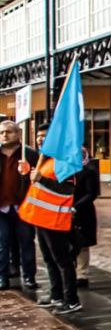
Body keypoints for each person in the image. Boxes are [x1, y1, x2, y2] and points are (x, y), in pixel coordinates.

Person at [19, 123, 81, 314]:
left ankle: (71, 300)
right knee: (49, 259)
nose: (40, 139)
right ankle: (57, 296)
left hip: (55, 219)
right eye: (39, 135)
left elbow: (67, 190)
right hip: (41, 218)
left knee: (62, 260)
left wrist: (41, 179)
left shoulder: (63, 162)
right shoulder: (44, 161)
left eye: (45, 136)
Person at [0, 120, 39, 292]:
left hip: (24, 207)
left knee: (26, 242)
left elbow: (39, 178)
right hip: (1, 207)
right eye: (1, 132)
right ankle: (2, 276)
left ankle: (29, 276)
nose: (4, 135)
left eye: (8, 131)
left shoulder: (28, 154)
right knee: (2, 243)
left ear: (18, 133)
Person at [72, 146, 100, 288]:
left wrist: (76, 206)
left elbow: (91, 193)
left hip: (83, 212)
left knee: (82, 244)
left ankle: (82, 274)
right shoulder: (64, 171)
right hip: (64, 211)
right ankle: (71, 272)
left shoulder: (88, 172)